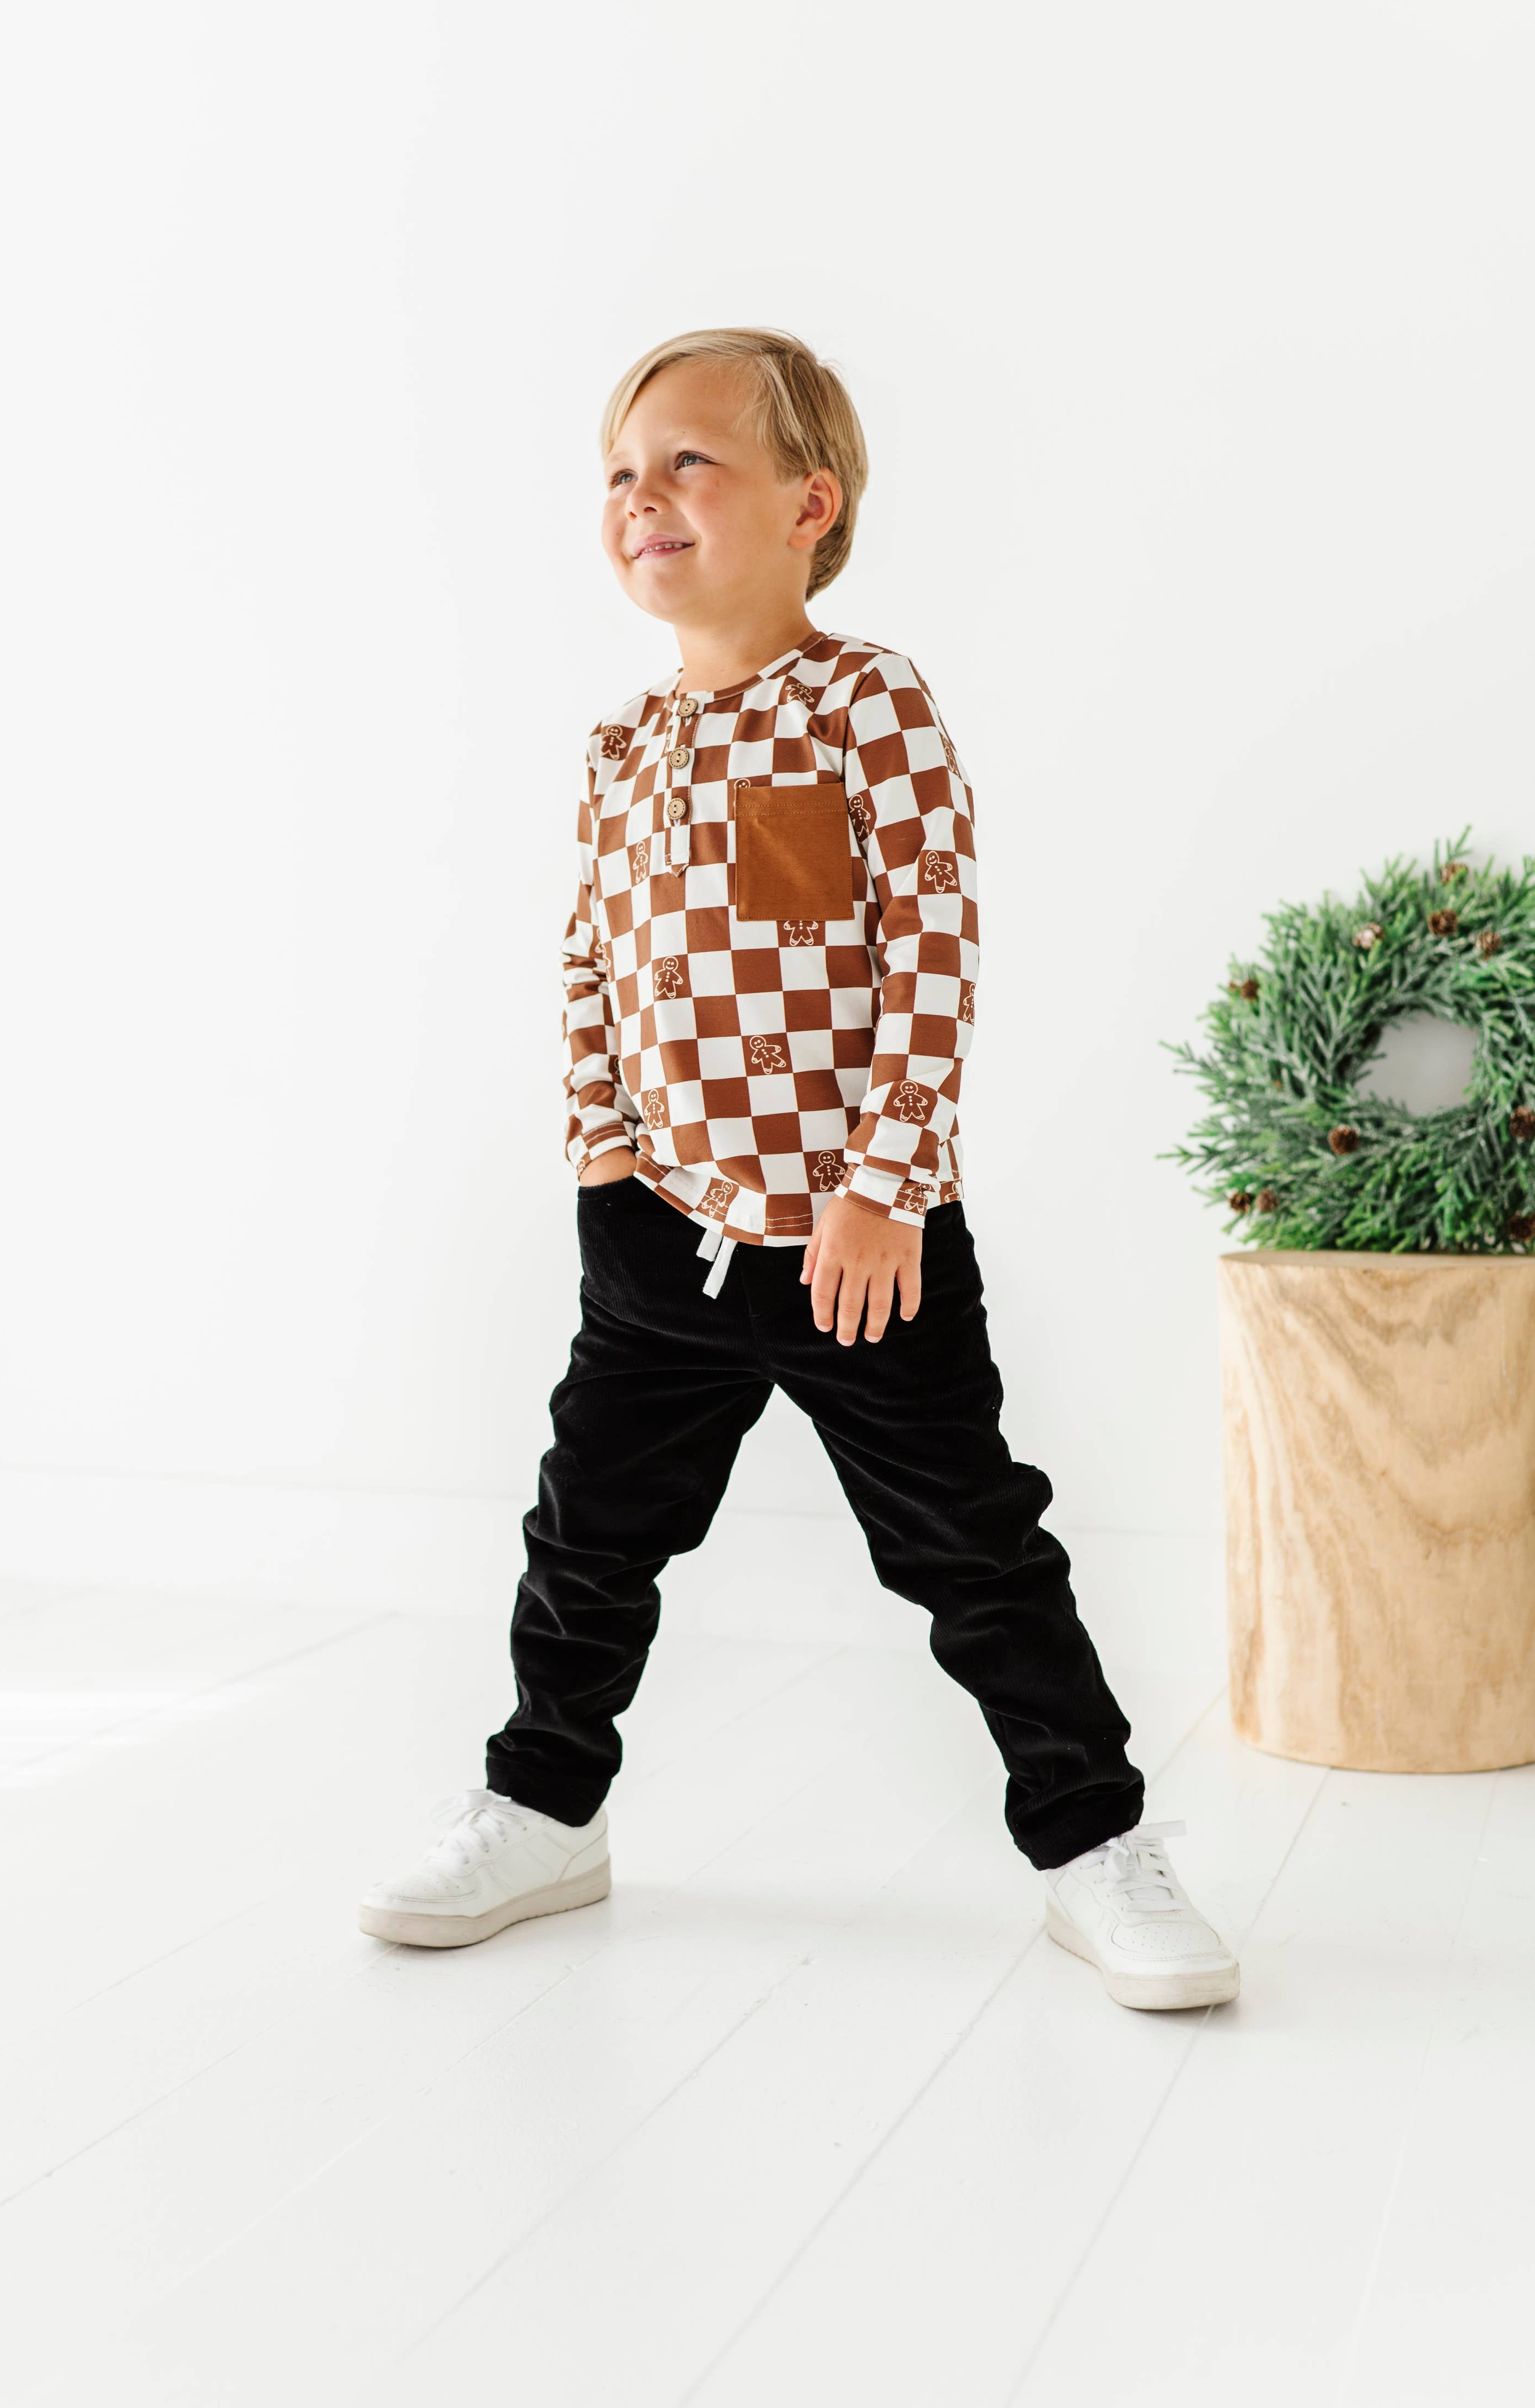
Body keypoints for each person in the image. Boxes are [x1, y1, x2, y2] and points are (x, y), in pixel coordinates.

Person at [359, 327, 1238, 2012]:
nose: (642, 497)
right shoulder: (622, 746)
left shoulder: (863, 705)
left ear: (807, 504)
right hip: (661, 1242)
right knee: (587, 1538)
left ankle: (1095, 1843)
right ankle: (542, 1810)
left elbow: (931, 952)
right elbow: (588, 965)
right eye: (620, 473)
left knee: (975, 1553)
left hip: (857, 1248)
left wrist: (884, 1185)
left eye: (688, 461)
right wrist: (604, 1165)